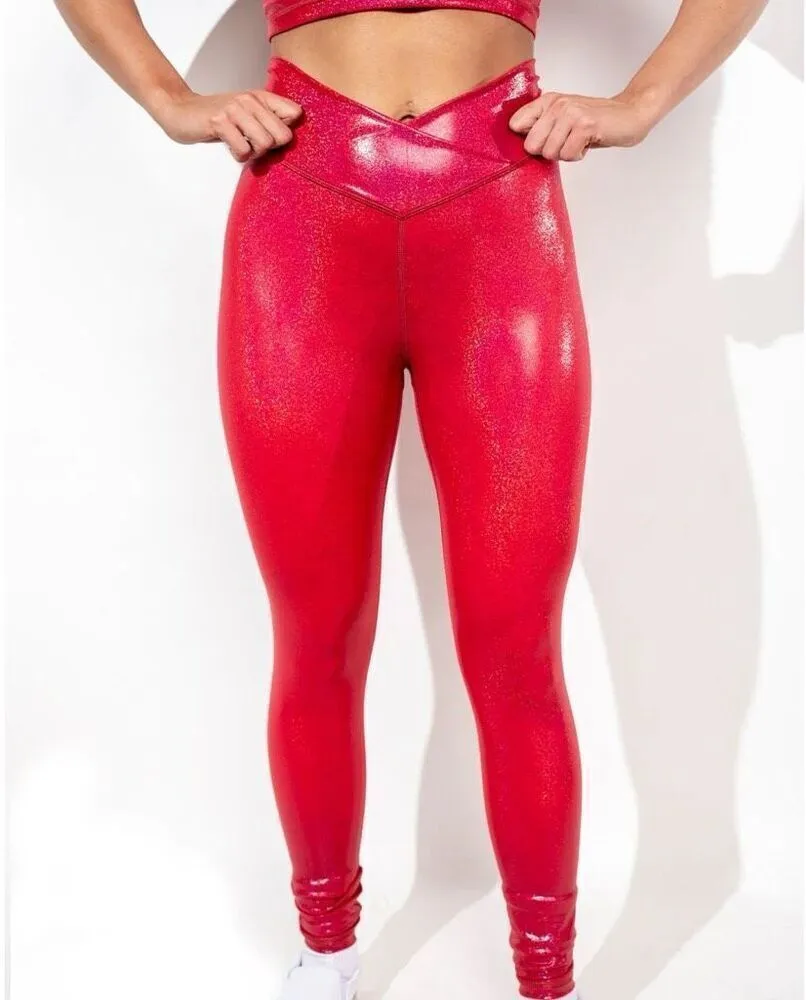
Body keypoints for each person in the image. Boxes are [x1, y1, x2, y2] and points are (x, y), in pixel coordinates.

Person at [53, 0, 769, 996]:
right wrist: (168, 99)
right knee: (317, 631)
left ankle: (545, 978)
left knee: (516, 644)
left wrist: (642, 103)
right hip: (302, 218)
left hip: (500, 219)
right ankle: (326, 952)